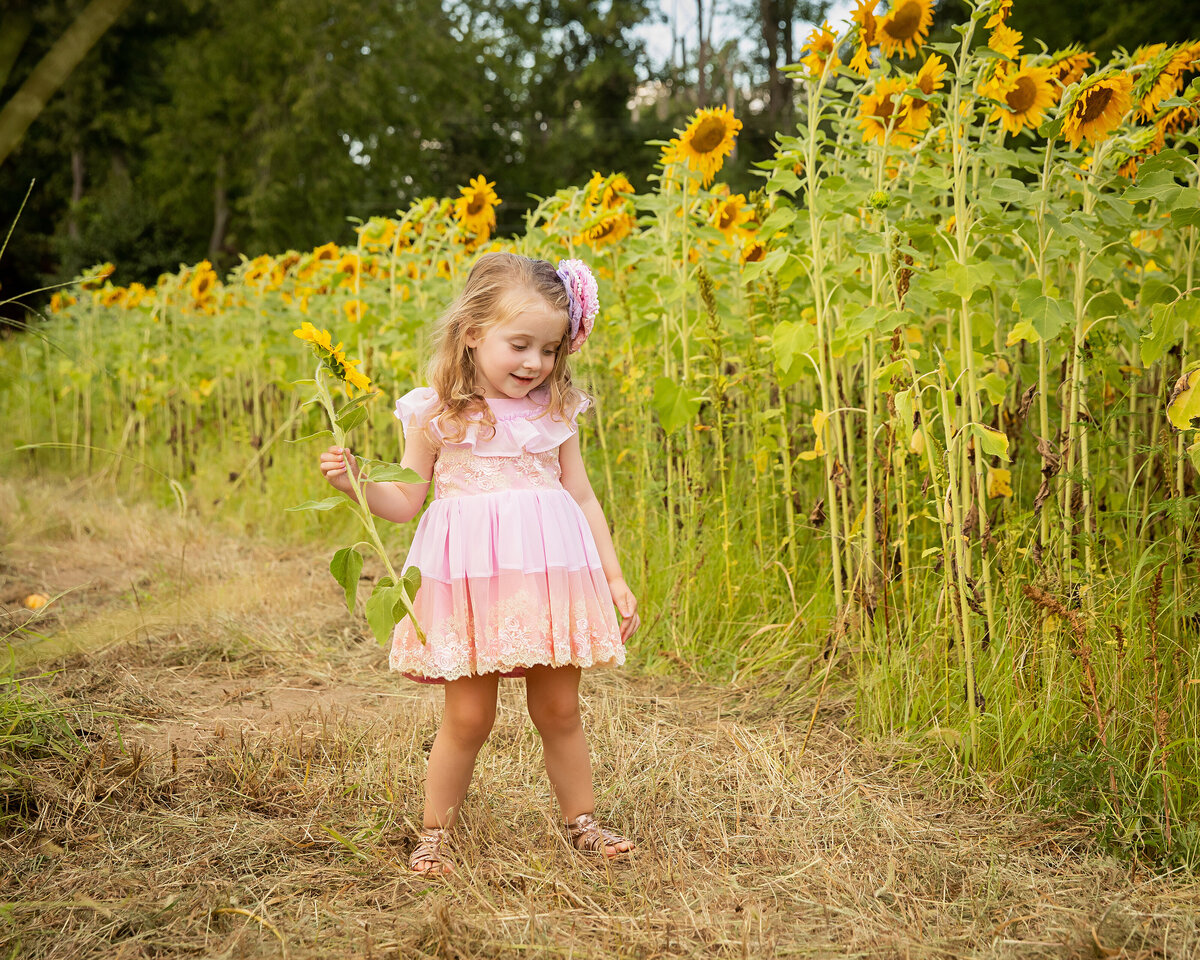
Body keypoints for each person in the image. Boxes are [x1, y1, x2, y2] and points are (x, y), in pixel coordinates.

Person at [318, 251, 640, 876]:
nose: (534, 363)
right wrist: (357, 482)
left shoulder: (557, 410)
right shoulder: (434, 413)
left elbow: (581, 494)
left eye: (548, 350)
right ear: (471, 334)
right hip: (469, 582)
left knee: (560, 709)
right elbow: (406, 500)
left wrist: (614, 575)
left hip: (551, 573)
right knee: (469, 715)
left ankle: (583, 822)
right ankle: (435, 833)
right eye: (519, 345)